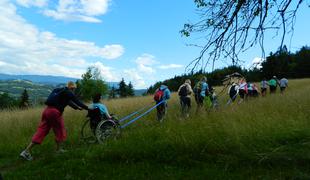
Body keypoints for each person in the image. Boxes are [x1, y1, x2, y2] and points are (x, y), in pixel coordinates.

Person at [20, 81, 89, 161]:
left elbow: (68, 102)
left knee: (42, 131)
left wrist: (76, 108)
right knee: (60, 130)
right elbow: (77, 101)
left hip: (47, 111)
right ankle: (59, 150)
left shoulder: (58, 90)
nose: (74, 91)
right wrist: (88, 108)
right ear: (72, 88)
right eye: (74, 89)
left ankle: (26, 151)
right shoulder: (69, 93)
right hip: (55, 113)